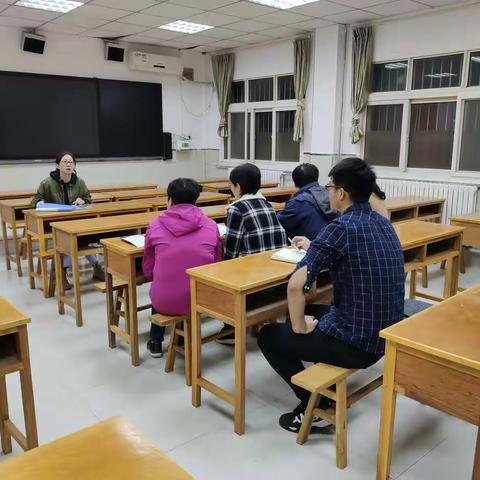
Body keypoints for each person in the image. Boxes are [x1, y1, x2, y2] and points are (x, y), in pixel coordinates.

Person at [257, 158, 405, 433]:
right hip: (385, 335)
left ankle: (317, 405)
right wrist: (316, 246)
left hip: (357, 344)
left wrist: (301, 327)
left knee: (270, 334)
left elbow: (295, 285)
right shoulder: (382, 221)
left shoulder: (340, 228)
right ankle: (318, 380)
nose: (328, 191)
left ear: (341, 193)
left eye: (330, 186)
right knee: (310, 310)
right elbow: (356, 253)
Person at [143, 178, 223, 358]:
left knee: (161, 285)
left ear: (169, 200)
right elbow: (217, 263)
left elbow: (148, 267)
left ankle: (156, 341)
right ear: (196, 200)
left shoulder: (154, 224)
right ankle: (180, 339)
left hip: (164, 301)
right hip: (203, 299)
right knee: (185, 285)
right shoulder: (211, 225)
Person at [219, 163, 288, 344]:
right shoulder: (266, 203)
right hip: (274, 266)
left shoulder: (236, 208)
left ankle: (230, 329)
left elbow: (232, 250)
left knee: (219, 272)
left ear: (238, 187)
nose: (231, 188)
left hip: (252, 272)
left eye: (231, 185)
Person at [31, 152, 104, 288]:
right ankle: (64, 272)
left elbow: (88, 198)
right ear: (58, 165)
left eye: (71, 162)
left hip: (76, 220)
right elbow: (34, 201)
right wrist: (40, 202)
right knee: (69, 240)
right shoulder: (47, 183)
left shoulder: (79, 182)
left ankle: (95, 267)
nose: (68, 164)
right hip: (55, 223)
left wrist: (83, 200)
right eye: (65, 162)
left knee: (84, 238)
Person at [277, 163, 337, 240]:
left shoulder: (298, 202)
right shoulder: (331, 194)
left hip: (307, 247)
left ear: (295, 183)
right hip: (331, 243)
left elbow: (278, 223)